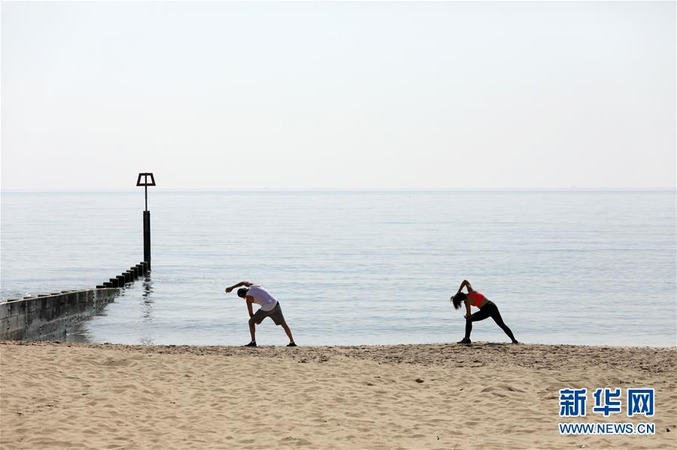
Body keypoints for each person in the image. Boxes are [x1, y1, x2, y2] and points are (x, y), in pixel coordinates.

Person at [225, 281, 296, 347]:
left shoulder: (248, 298)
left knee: (251, 322)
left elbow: (250, 313)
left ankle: (253, 342)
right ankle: (292, 342)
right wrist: (232, 287)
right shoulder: (253, 286)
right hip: (275, 303)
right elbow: (243, 282)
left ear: (243, 296)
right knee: (283, 324)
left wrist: (256, 320)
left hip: (267, 308)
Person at [451, 279, 518, 344]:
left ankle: (467, 339)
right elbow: (465, 281)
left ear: (460, 300)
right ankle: (514, 340)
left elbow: (469, 314)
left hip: (486, 309)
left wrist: (466, 316)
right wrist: (458, 291)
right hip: (492, 305)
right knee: (502, 324)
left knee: (468, 320)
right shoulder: (471, 291)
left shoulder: (467, 302)